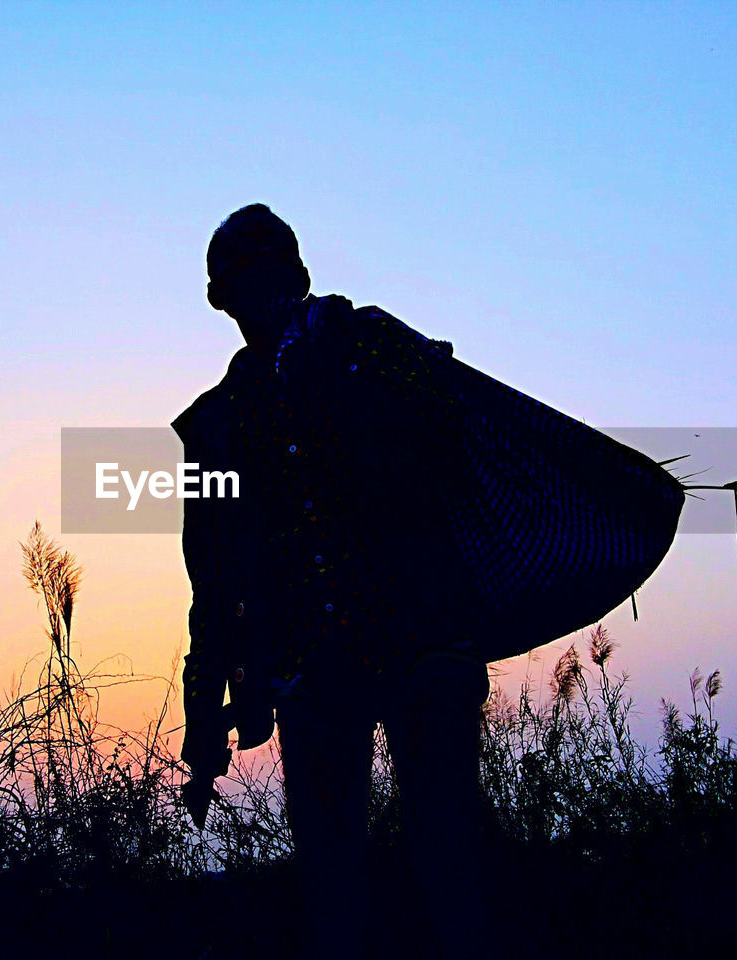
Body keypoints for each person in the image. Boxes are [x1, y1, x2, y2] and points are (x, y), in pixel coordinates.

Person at [171, 203, 491, 958]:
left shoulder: (375, 348)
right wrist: (203, 722)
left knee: (444, 871)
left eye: (269, 275)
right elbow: (214, 581)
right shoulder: (218, 428)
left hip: (420, 648)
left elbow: (462, 445)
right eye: (249, 280)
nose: (262, 294)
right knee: (344, 887)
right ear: (224, 298)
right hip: (317, 675)